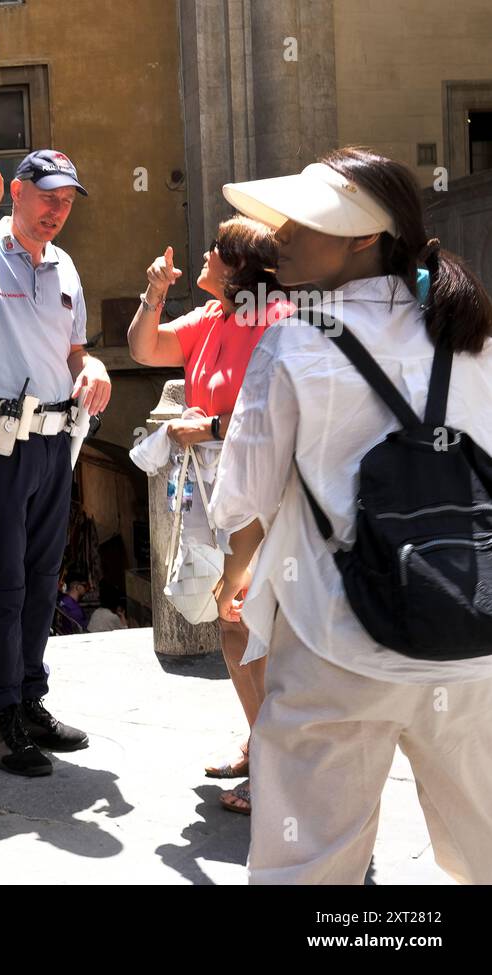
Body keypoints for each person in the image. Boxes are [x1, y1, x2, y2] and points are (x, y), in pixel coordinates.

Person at [212, 146, 492, 883]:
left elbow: (246, 496)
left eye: (304, 220)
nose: (280, 231)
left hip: (337, 638)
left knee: (309, 862)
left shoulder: (293, 339)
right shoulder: (470, 338)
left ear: (364, 238)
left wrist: (236, 575)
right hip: (472, 632)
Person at [0, 146, 111, 776]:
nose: (57, 210)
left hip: (54, 444)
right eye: (48, 197)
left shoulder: (66, 268)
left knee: (41, 580)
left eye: (67, 200)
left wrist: (95, 369)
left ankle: (30, 699)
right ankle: (1, 722)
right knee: (0, 583)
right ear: (18, 195)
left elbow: (75, 353)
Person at [127, 215, 295, 814]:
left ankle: (277, 763)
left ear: (239, 267)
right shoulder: (212, 318)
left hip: (258, 490)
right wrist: (154, 293)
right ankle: (260, 742)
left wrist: (216, 426)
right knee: (230, 623)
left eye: (216, 250)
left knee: (247, 622)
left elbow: (286, 410)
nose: (204, 254)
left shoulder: (279, 322)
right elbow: (144, 348)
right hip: (213, 491)